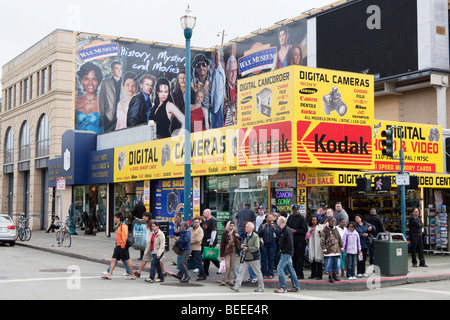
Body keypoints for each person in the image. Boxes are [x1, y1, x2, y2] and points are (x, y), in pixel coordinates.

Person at [230, 222, 264, 293]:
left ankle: (261, 287)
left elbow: (256, 247)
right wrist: (242, 246)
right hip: (245, 257)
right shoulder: (245, 235)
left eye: (247, 227)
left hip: (253, 258)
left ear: (252, 228)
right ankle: (237, 286)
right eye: (245, 227)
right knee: (241, 271)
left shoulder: (255, 236)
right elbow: (243, 242)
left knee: (258, 273)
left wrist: (247, 248)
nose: (245, 228)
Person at [101, 212, 135, 280]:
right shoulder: (119, 226)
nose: (114, 218)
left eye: (115, 217)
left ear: (118, 218)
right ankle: (109, 274)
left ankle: (132, 275)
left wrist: (122, 246)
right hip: (118, 246)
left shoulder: (123, 226)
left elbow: (124, 237)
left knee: (127, 260)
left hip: (122, 246)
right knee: (113, 259)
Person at [75, 61, 104, 134]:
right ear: (82, 81)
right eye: (87, 79)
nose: (90, 83)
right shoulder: (76, 101)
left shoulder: (103, 102)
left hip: (98, 142)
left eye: (94, 79)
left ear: (98, 81)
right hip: (76, 142)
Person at [274, 216, 300, 293]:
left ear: (280, 222)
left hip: (286, 253)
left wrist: (283, 251)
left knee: (280, 268)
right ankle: (296, 286)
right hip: (287, 252)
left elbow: (290, 243)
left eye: (277, 221)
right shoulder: (284, 230)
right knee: (291, 269)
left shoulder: (286, 230)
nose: (276, 222)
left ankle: (283, 287)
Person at [99, 61, 123, 133]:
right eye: (117, 68)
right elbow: (101, 98)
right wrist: (102, 113)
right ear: (112, 70)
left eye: (120, 69)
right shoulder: (105, 82)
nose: (119, 71)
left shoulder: (125, 83)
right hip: (109, 115)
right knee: (108, 135)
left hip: (122, 115)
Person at [286, 204, 308, 279]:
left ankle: (300, 274)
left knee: (300, 258)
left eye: (297, 210)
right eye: (295, 210)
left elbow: (305, 229)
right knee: (293, 258)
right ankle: (293, 273)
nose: (296, 211)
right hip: (292, 240)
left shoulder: (302, 218)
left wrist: (296, 231)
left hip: (300, 241)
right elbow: (287, 226)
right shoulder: (290, 217)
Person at [320, 217, 344, 283]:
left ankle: (334, 274)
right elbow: (322, 240)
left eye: (334, 222)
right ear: (328, 221)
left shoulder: (335, 229)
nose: (333, 223)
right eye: (332, 221)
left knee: (336, 263)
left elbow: (339, 238)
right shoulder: (325, 230)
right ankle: (330, 275)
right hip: (329, 249)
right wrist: (324, 248)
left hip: (336, 250)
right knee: (329, 263)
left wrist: (341, 247)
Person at [219, 221, 240, 286]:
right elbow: (222, 244)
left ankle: (231, 280)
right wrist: (222, 255)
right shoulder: (225, 233)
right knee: (227, 266)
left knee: (232, 266)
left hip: (233, 251)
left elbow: (239, 242)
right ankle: (223, 280)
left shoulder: (235, 232)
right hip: (227, 251)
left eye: (233, 225)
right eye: (231, 225)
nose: (232, 227)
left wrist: (237, 237)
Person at [258, 213, 278, 279]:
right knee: (264, 259)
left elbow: (278, 234)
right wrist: (262, 229)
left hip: (272, 243)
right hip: (265, 243)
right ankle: (264, 273)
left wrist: (274, 229)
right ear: (266, 218)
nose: (270, 219)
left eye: (271, 217)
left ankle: (270, 273)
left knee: (271, 259)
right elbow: (259, 234)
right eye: (269, 217)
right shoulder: (263, 225)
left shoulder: (274, 225)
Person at [201, 209, 220, 276]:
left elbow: (213, 231)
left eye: (204, 213)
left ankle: (220, 267)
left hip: (209, 241)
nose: (203, 214)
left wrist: (211, 241)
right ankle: (206, 272)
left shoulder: (212, 221)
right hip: (205, 240)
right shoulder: (206, 221)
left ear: (208, 213)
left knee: (209, 256)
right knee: (208, 257)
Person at [210, 50, 226, 129]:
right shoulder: (213, 72)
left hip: (219, 101)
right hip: (213, 101)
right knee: (213, 123)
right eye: (215, 59)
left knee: (219, 123)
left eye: (218, 59)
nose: (216, 61)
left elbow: (221, 89)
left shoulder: (221, 72)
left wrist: (220, 102)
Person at [133, 212, 153, 278]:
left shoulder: (150, 223)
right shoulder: (148, 223)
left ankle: (162, 272)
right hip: (149, 244)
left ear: (147, 217)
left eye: (144, 216)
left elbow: (153, 233)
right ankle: (139, 272)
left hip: (151, 245)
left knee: (155, 260)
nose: (143, 218)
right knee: (145, 258)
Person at [307, 215, 324, 280]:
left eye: (315, 220)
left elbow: (323, 236)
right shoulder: (309, 227)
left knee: (318, 260)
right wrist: (310, 231)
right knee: (312, 261)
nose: (314, 221)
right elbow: (307, 237)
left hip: (318, 245)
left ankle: (319, 275)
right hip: (312, 245)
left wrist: (320, 233)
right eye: (313, 220)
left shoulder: (320, 227)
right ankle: (313, 274)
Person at [223, 55, 238, 126]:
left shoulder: (240, 86)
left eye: (235, 71)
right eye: (231, 71)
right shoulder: (222, 88)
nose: (233, 74)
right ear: (226, 73)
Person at [191, 216, 207, 280]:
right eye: (195, 222)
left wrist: (190, 241)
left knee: (199, 262)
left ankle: (203, 275)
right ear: (193, 223)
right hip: (192, 248)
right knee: (186, 261)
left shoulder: (200, 230)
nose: (197, 223)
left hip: (196, 248)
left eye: (198, 222)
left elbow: (198, 239)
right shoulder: (193, 229)